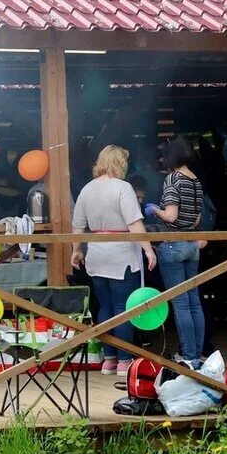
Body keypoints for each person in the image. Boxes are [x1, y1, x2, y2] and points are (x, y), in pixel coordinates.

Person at [70, 145, 158, 375]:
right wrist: (148, 249)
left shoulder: (87, 189)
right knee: (123, 308)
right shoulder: (123, 188)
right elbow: (134, 223)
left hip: (97, 254)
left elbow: (78, 225)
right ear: (120, 163)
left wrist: (76, 250)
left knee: (106, 306)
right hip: (121, 254)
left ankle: (108, 359)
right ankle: (124, 360)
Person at [146, 135, 206, 368]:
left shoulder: (173, 179)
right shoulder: (196, 180)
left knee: (180, 303)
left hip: (172, 244)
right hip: (192, 244)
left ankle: (189, 355)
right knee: (194, 302)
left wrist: (155, 210)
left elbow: (171, 216)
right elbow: (197, 217)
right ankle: (198, 354)